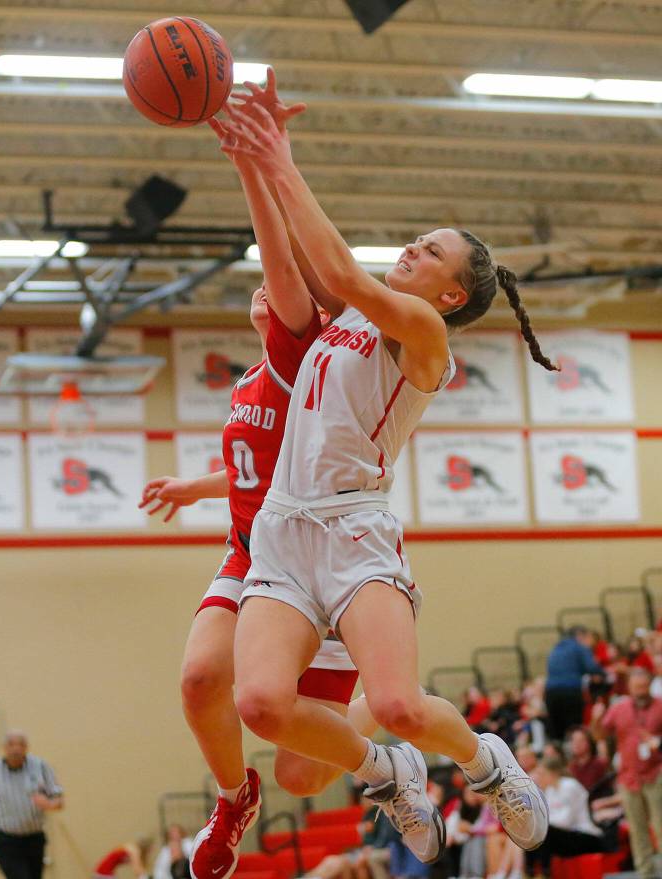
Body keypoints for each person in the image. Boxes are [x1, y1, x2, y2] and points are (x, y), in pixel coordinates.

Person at [213, 71, 553, 866]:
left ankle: (485, 762)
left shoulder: (423, 338)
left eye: (430, 251)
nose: (413, 247)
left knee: (398, 701)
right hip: (286, 530)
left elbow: (341, 275)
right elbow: (294, 274)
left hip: (356, 533)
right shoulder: (337, 329)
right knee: (260, 704)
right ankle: (385, 772)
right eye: (420, 237)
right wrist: (254, 166)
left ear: (449, 293)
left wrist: (282, 157)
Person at [140, 69, 376, 879]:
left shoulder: (302, 350)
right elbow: (254, 467)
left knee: (302, 768)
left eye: (278, 291)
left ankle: (380, 716)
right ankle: (230, 794)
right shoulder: (253, 381)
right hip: (252, 547)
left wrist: (252, 157)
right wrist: (194, 486)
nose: (265, 293)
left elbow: (284, 258)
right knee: (201, 674)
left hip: (322, 561)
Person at [591, 666, 662, 878]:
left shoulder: (660, 706)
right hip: (629, 777)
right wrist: (596, 718)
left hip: (656, 773)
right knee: (637, 831)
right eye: (636, 687)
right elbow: (599, 735)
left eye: (643, 686)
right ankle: (646, 873)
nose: (640, 691)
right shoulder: (619, 708)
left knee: (661, 826)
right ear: (629, 688)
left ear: (650, 684)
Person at [0, 730, 64, 879]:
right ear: (4, 747)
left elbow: (59, 800)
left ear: (26, 747)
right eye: (11, 744)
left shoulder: (41, 766)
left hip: (35, 837)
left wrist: (49, 804)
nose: (16, 748)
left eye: (20, 744)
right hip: (6, 839)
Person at [526, 757, 606, 875]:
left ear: (552, 774)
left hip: (588, 836)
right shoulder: (550, 791)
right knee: (531, 832)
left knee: (544, 831)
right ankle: (531, 872)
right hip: (568, 836)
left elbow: (566, 821)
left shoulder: (570, 786)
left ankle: (544, 873)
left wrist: (541, 822)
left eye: (541, 774)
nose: (538, 778)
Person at [545, 627, 604, 740]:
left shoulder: (555, 649)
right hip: (570, 692)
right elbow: (592, 667)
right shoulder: (579, 647)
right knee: (574, 729)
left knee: (558, 732)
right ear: (580, 636)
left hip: (551, 693)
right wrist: (604, 673)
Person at [566, 726, 610, 795]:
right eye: (573, 740)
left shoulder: (599, 764)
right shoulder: (571, 767)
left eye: (580, 740)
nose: (576, 744)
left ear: (589, 743)